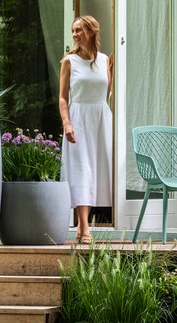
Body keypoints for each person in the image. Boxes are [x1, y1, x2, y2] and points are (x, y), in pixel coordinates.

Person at [59, 15, 113, 244]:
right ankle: (85, 227)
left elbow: (106, 94)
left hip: (101, 118)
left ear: (91, 32)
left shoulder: (104, 60)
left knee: (95, 170)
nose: (74, 34)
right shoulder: (69, 62)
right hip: (79, 118)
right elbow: (63, 97)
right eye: (73, 30)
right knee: (82, 170)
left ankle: (82, 226)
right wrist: (67, 124)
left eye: (79, 30)